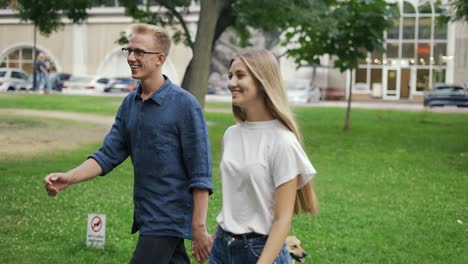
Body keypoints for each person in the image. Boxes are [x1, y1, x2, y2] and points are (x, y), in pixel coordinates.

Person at [44, 23, 213, 264]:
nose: (132, 57)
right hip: (147, 215)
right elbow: (107, 155)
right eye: (129, 50)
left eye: (140, 52)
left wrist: (198, 226)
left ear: (160, 59)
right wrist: (68, 178)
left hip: (167, 218)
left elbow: (200, 172)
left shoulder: (185, 106)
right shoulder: (130, 104)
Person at [205, 48, 319, 264]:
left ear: (262, 80)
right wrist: (218, 235)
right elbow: (238, 195)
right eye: (230, 76)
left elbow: (282, 220)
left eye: (240, 75)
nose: (231, 83)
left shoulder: (282, 141)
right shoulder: (231, 135)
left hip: (260, 251)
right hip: (221, 246)